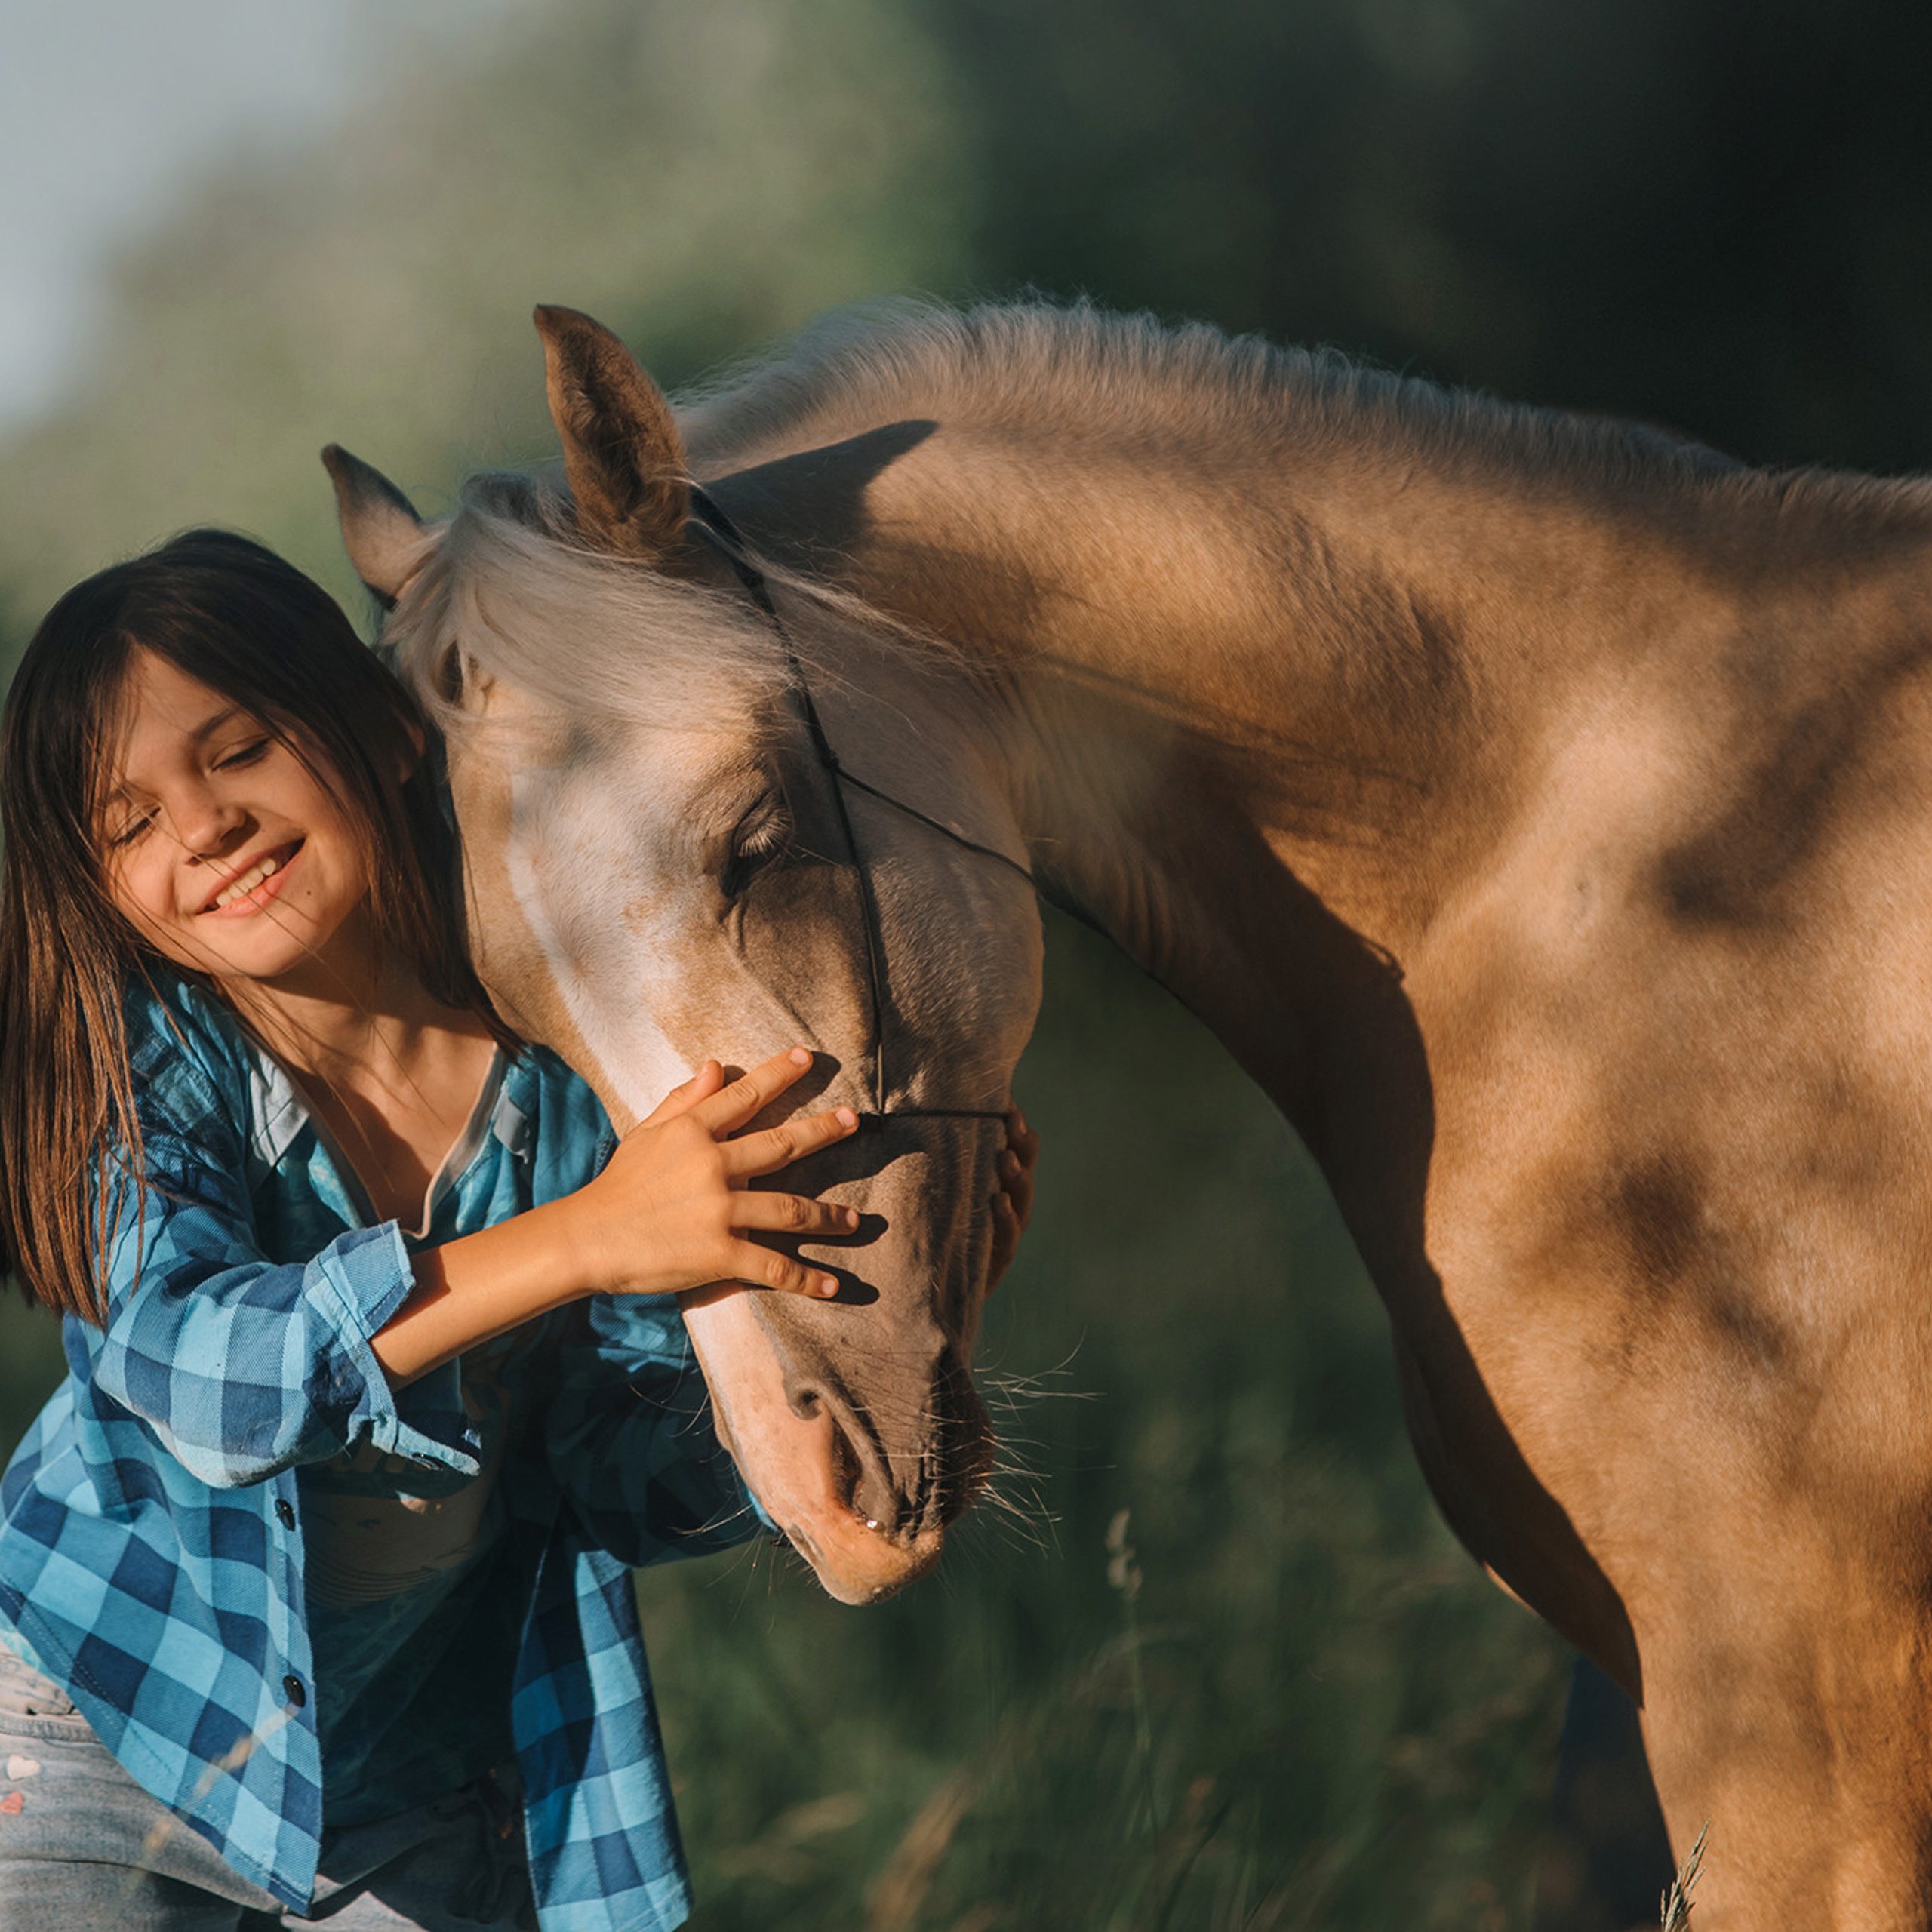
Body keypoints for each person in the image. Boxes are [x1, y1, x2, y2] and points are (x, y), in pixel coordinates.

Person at [0, 529, 1038, 1932]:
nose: (201, 825)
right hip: (97, 1731)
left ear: (384, 726)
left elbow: (616, 1475)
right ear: (102, 888)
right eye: (128, 824)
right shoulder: (152, 1070)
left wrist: (878, 1299)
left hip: (413, 1793)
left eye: (239, 750)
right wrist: (593, 1240)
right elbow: (202, 1379)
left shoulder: (564, 1084)